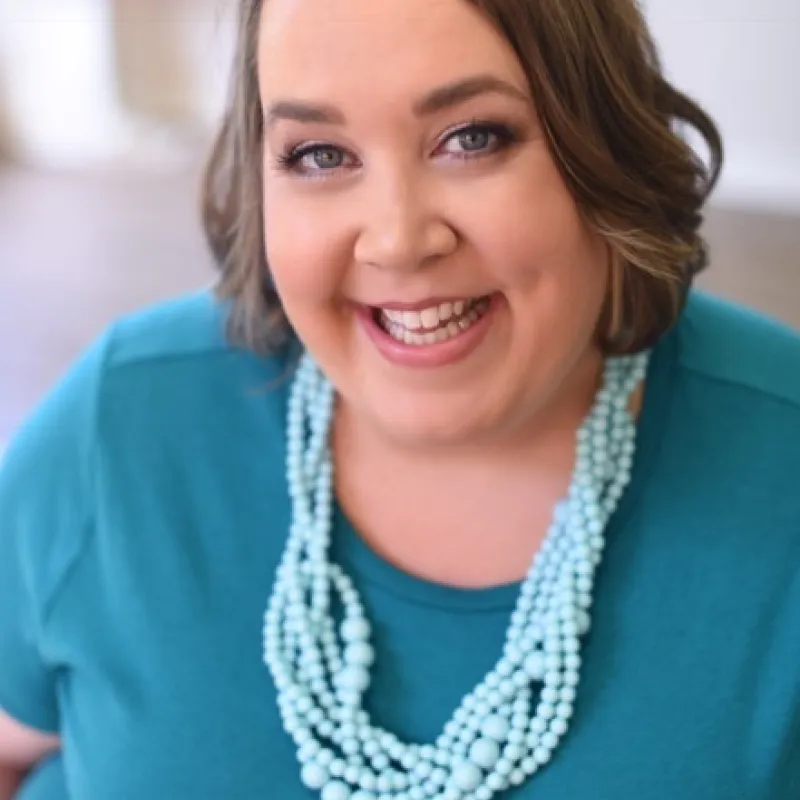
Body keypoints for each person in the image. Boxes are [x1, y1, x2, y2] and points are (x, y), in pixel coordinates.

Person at [1, 0, 798, 797]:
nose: (396, 238)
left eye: (473, 137)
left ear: (605, 141)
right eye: (318, 154)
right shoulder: (121, 428)